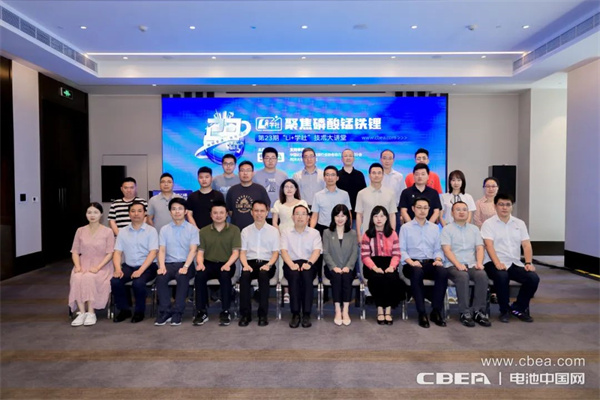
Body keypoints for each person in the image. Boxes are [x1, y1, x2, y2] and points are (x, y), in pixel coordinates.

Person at [482, 193, 539, 323]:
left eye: (508, 204)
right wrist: (497, 263)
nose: (504, 207)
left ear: (512, 206)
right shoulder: (489, 224)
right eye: (501, 204)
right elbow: (489, 245)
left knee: (533, 278)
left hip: (514, 262)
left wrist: (528, 263)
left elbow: (526, 245)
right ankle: (504, 310)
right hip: (492, 262)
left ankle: (518, 308)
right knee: (502, 276)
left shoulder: (519, 223)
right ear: (495, 206)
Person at [441, 201, 491, 327]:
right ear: (452, 213)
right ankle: (465, 312)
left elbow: (479, 248)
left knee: (482, 275)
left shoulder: (474, 229)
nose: (462, 212)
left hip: (471, 264)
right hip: (453, 265)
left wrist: (479, 263)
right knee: (462, 276)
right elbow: (447, 250)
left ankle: (478, 311)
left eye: (464, 209)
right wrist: (458, 264)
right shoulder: (447, 229)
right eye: (458, 210)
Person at [400, 197, 448, 328]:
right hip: (411, 263)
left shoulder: (434, 228)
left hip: (430, 262)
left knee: (443, 272)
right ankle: (422, 313)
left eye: (425, 208)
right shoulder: (405, 227)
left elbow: (438, 249)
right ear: (413, 209)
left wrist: (438, 259)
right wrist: (411, 262)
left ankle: (436, 311)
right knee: (417, 273)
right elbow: (402, 250)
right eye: (419, 207)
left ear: (429, 209)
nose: (422, 210)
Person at [193, 201, 241, 326]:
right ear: (211, 215)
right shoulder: (203, 231)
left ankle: (225, 311)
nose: (218, 215)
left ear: (226, 214)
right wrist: (200, 263)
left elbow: (235, 253)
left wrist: (228, 264)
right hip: (208, 263)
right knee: (199, 276)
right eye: (215, 213)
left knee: (225, 277)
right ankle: (201, 312)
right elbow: (200, 252)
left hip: (227, 263)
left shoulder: (234, 230)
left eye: (221, 213)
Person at [111, 201, 158, 323]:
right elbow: (117, 252)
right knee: (115, 280)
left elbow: (153, 253)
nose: (136, 214)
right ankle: (124, 310)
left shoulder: (151, 231)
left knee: (138, 282)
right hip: (129, 266)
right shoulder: (123, 231)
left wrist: (140, 270)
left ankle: (139, 312)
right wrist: (118, 269)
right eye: (133, 211)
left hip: (148, 267)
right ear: (129, 214)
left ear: (144, 213)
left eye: (139, 211)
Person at [69, 202, 115, 327]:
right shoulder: (80, 231)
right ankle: (81, 312)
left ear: (101, 214)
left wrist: (98, 267)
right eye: (89, 212)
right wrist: (77, 266)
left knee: (89, 277)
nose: (92, 215)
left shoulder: (108, 231)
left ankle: (91, 312)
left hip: (102, 266)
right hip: (83, 263)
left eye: (95, 212)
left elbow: (110, 253)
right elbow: (75, 251)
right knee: (77, 277)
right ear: (86, 214)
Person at [154, 198, 199, 326]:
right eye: (174, 209)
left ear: (185, 211)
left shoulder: (192, 229)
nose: (177, 211)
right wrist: (161, 266)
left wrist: (186, 266)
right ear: (170, 212)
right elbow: (162, 250)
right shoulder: (164, 229)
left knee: (182, 276)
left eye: (180, 209)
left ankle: (178, 312)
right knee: (161, 277)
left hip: (187, 263)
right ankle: (165, 311)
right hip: (169, 264)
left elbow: (193, 250)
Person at [238, 201, 280, 327]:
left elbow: (275, 253)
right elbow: (242, 252)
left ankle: (263, 314)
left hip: (267, 263)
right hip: (250, 263)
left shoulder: (273, 231)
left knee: (263, 275)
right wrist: (245, 265)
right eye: (256, 211)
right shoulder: (245, 231)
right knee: (244, 276)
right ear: (252, 212)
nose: (259, 214)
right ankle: (245, 314)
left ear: (267, 213)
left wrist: (269, 265)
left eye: (262, 211)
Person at [280, 204, 322, 328]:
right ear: (292, 217)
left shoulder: (314, 233)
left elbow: (317, 251)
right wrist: (291, 264)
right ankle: (295, 313)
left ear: (308, 217)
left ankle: (307, 314)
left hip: (309, 263)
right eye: (297, 214)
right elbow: (283, 251)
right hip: (291, 263)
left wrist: (309, 263)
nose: (300, 217)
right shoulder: (286, 232)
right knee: (294, 276)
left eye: (303, 214)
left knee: (307, 276)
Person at [360, 206, 403, 325]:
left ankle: (388, 310)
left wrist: (392, 267)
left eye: (382, 216)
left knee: (391, 278)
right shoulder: (367, 234)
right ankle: (380, 309)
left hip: (389, 264)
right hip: (372, 264)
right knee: (377, 278)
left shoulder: (393, 234)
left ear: (386, 218)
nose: (379, 219)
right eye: (376, 216)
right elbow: (365, 255)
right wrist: (374, 267)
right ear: (372, 218)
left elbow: (396, 254)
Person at [271, 178, 308, 304]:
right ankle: (286, 291)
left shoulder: (302, 202)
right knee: (284, 260)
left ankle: (298, 290)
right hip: (282, 234)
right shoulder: (278, 203)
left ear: (296, 189)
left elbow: (305, 219)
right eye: (286, 187)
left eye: (292, 187)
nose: (289, 189)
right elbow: (274, 222)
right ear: (282, 189)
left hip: (299, 234)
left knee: (298, 259)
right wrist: (280, 234)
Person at [323, 204, 358, 326]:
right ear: (333, 217)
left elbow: (354, 252)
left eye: (343, 216)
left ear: (347, 217)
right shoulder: (327, 232)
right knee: (337, 278)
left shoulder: (352, 233)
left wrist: (348, 266)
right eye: (337, 215)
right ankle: (337, 310)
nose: (340, 218)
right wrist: (334, 267)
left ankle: (346, 310)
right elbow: (326, 252)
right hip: (331, 267)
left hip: (349, 267)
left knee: (347, 277)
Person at [355, 163, 397, 242]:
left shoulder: (390, 193)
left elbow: (392, 215)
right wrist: (359, 235)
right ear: (369, 175)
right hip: (367, 234)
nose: (376, 175)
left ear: (383, 175)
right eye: (374, 173)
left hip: (385, 235)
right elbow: (359, 215)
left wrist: (392, 234)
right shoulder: (361, 193)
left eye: (379, 173)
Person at [226, 161, 270, 230]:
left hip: (256, 229)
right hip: (237, 230)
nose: (245, 173)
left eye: (248, 170)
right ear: (238, 173)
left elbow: (266, 208)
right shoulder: (232, 190)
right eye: (242, 170)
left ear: (253, 173)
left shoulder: (260, 189)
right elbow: (230, 212)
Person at [310, 166, 352, 232]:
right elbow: (314, 216)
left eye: (333, 175)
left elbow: (348, 214)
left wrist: (348, 229)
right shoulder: (318, 195)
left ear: (337, 178)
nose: (330, 178)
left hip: (340, 228)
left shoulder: (344, 194)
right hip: (323, 228)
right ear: (324, 178)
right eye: (327, 175)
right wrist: (311, 231)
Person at [253, 147, 288, 223]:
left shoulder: (283, 175)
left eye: (273, 158)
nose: (270, 160)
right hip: (260, 214)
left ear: (277, 159)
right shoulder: (255, 176)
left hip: (279, 213)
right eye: (267, 158)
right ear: (263, 159)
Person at [337, 149, 367, 225]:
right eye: (345, 156)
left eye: (350, 156)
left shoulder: (359, 175)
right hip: (340, 214)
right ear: (342, 159)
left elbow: (364, 194)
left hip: (357, 214)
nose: (348, 158)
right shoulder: (337, 175)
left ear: (354, 158)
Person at [380, 149, 405, 231]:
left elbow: (403, 196)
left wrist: (401, 214)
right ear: (381, 159)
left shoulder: (399, 176)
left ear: (393, 160)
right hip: (379, 211)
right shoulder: (377, 175)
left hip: (395, 211)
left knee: (394, 235)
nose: (387, 161)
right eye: (384, 158)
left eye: (390, 158)